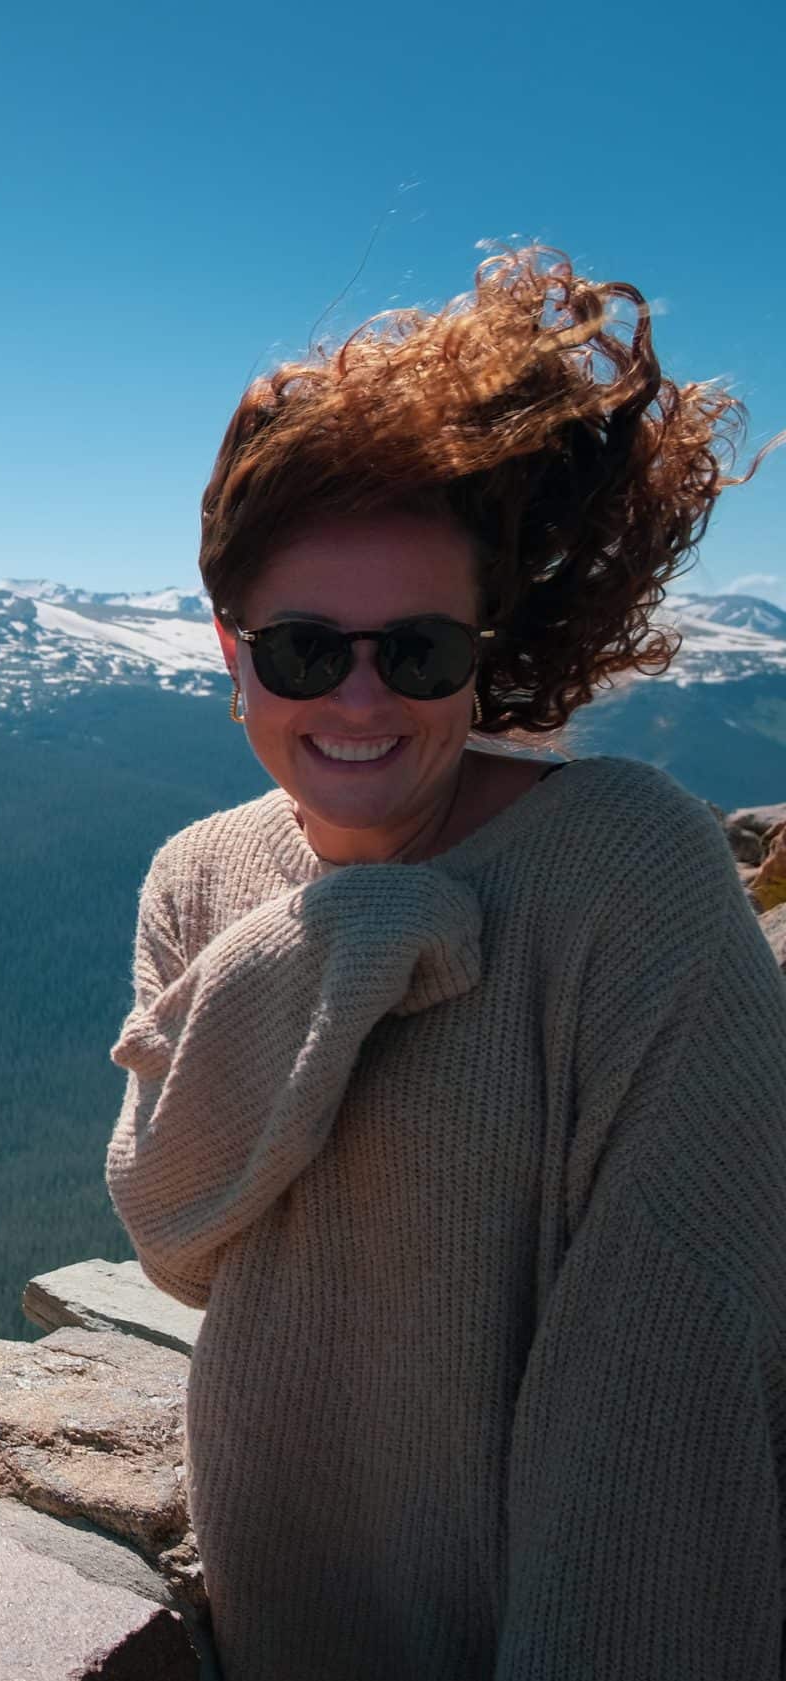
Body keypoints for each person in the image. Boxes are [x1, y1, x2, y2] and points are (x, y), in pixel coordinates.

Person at [103, 244, 786, 1679]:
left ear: (487, 649)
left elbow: (666, 1396)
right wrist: (330, 938)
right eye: (302, 649)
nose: (356, 698)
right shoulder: (203, 876)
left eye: (414, 652)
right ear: (229, 646)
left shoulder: (626, 881)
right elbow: (173, 1229)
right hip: (279, 1617)